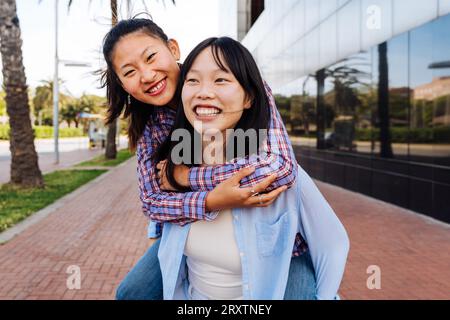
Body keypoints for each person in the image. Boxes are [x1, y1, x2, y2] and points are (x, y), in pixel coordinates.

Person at [100, 18, 339, 300]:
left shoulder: (239, 84)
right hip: (191, 232)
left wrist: (183, 177)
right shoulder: (153, 125)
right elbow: (152, 201)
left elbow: (279, 167)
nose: (147, 74)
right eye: (130, 72)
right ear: (123, 84)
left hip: (276, 240)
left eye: (151, 57)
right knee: (132, 293)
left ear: (173, 48)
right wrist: (212, 200)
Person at [154, 36, 349, 300]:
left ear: (249, 98)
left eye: (221, 79)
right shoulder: (169, 173)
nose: (203, 91)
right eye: (193, 80)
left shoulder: (276, 176)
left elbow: (333, 245)